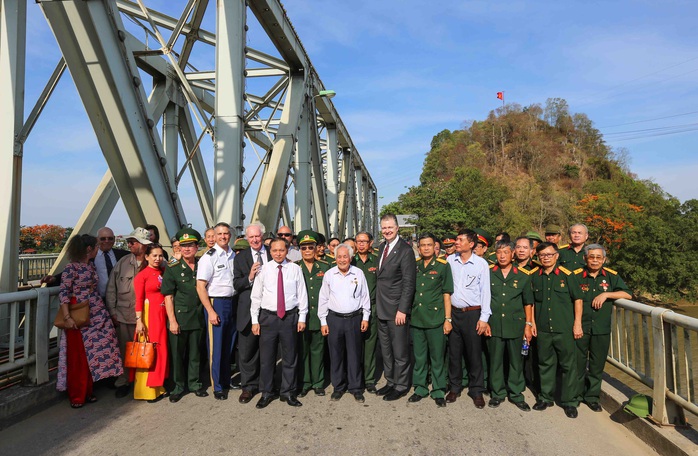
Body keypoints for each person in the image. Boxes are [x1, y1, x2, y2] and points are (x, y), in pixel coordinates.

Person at [56, 234, 122, 408]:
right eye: (95, 246)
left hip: (95, 313)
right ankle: (78, 395)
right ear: (88, 249)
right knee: (78, 356)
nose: (98, 248)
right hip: (79, 315)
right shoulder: (72, 268)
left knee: (90, 355)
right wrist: (68, 317)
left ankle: (88, 390)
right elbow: (64, 293)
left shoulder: (90, 266)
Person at [251, 238, 308, 409]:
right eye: (274, 250)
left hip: (289, 317)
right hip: (268, 318)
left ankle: (288, 392)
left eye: (281, 250)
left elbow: (302, 294)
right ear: (270, 251)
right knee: (267, 358)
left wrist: (302, 317)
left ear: (287, 250)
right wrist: (255, 320)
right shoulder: (263, 270)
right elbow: (256, 296)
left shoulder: (295, 269)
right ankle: (267, 392)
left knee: (290, 357)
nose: (278, 253)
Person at [574, 244, 631, 412]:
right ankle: (575, 396)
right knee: (577, 363)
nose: (595, 260)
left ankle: (591, 397)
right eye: (591, 257)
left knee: (597, 365)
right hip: (580, 326)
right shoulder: (577, 276)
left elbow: (627, 294)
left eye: (599, 257)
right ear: (585, 258)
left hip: (601, 328)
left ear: (604, 259)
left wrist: (607, 294)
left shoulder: (611, 277)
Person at [530, 242, 583, 418]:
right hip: (543, 328)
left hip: (564, 328)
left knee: (568, 365)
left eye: (549, 254)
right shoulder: (534, 276)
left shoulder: (567, 276)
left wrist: (577, 323)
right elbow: (531, 303)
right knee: (545, 363)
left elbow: (578, 299)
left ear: (557, 255)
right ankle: (545, 397)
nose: (545, 258)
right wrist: (532, 323)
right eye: (542, 255)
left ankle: (569, 402)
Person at [161, 228, 209, 403]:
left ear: (197, 247)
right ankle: (178, 386)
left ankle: (195, 384)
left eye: (190, 245)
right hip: (180, 317)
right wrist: (172, 321)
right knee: (177, 354)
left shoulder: (203, 264)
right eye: (183, 246)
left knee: (196, 353)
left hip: (197, 316)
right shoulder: (173, 268)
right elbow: (168, 296)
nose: (187, 249)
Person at [319, 243, 370, 403]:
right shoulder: (329, 275)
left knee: (354, 354)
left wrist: (366, 317)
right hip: (334, 320)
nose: (342, 260)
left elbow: (365, 296)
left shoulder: (358, 273)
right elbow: (323, 298)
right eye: (339, 257)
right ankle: (338, 387)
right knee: (336, 355)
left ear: (350, 257)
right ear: (335, 258)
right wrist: (323, 321)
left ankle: (356, 388)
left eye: (345, 256)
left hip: (354, 319)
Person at [446, 229, 491, 408]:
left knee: (474, 354)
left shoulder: (481, 264)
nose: (456, 242)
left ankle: (476, 390)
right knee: (454, 353)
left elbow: (485, 292)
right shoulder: (451, 260)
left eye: (460, 240)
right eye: (456, 239)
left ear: (471, 244)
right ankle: (455, 387)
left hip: (473, 314)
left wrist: (484, 318)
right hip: (454, 313)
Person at [487, 240, 534, 411]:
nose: (502, 255)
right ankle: (497, 393)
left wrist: (528, 325)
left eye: (506, 252)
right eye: (499, 252)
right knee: (496, 361)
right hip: (494, 324)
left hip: (515, 325)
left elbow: (528, 303)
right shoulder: (489, 273)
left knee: (516, 361)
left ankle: (516, 394)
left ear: (513, 254)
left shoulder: (523, 275)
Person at [106, 227, 152, 398]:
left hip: (148, 317)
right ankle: (124, 381)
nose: (130, 244)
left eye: (133, 242)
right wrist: (113, 312)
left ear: (144, 245)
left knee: (147, 350)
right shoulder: (123, 262)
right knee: (125, 350)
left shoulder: (155, 261)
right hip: (125, 315)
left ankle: (145, 383)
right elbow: (112, 289)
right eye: (129, 241)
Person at [409, 233, 453, 407]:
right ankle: (420, 387)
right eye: (422, 245)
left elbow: (446, 294)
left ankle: (438, 389)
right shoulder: (415, 266)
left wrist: (448, 319)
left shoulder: (443, 266)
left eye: (429, 245)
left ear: (435, 246)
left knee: (437, 357)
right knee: (419, 357)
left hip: (436, 319)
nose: (425, 248)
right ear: (418, 248)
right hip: (417, 318)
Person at [375, 214, 416, 401]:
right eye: (384, 228)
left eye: (390, 227)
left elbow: (408, 283)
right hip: (382, 309)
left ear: (397, 228)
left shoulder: (405, 251)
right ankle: (390, 381)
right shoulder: (382, 247)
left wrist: (403, 309)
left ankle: (401, 385)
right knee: (386, 350)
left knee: (400, 351)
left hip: (396, 310)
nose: (387, 231)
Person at [196, 222, 236, 400]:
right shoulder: (208, 257)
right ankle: (217, 385)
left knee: (228, 344)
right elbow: (200, 287)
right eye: (219, 234)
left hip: (232, 302)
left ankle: (226, 380)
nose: (223, 237)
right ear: (215, 235)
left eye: (226, 233)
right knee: (216, 347)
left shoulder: (233, 255)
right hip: (216, 303)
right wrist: (211, 311)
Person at [233, 222, 270, 404]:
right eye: (251, 237)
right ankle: (248, 387)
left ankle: (267, 386)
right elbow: (236, 285)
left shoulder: (273, 252)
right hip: (248, 311)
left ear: (262, 236)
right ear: (247, 239)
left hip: (269, 311)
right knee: (247, 352)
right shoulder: (240, 258)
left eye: (257, 236)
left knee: (268, 352)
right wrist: (249, 277)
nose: (255, 239)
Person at [40, 227, 129, 299]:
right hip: (98, 300)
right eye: (103, 238)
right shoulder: (89, 257)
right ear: (97, 239)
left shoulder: (123, 255)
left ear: (114, 239)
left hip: (118, 301)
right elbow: (74, 271)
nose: (107, 241)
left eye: (110, 238)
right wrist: (54, 279)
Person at [295, 230, 330, 397]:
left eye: (310, 247)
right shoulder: (294, 268)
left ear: (316, 248)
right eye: (304, 248)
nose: (307, 250)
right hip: (301, 317)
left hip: (319, 316)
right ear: (299, 249)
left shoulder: (325, 267)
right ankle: (305, 382)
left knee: (318, 350)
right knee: (302, 350)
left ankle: (318, 382)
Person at [133, 244, 169, 402]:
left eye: (160, 256)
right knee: (150, 350)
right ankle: (148, 390)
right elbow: (138, 299)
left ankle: (159, 384)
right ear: (146, 257)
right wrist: (139, 320)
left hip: (162, 315)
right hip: (150, 315)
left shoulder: (162, 271)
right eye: (154, 255)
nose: (157, 259)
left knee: (161, 350)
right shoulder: (142, 275)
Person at [354, 231, 379, 393]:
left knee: (370, 344)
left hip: (374, 307)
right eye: (358, 241)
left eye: (364, 241)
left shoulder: (377, 261)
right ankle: (355, 377)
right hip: (354, 309)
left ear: (371, 243)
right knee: (354, 345)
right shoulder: (350, 260)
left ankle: (369, 379)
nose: (361, 244)